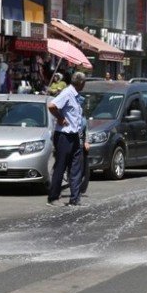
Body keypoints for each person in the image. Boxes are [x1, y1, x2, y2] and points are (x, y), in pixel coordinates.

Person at [47, 71, 88, 207]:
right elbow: (52, 106)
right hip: (64, 136)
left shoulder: (76, 96)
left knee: (76, 167)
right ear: (80, 83)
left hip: (75, 136)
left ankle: (75, 198)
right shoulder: (67, 93)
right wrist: (60, 118)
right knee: (61, 166)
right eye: (84, 82)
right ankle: (53, 197)